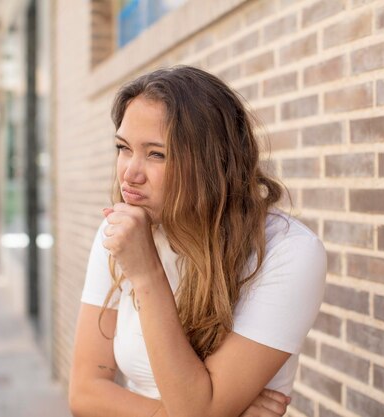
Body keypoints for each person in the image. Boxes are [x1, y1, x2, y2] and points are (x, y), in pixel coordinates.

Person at [69, 66, 326, 417]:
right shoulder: (120, 233)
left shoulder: (289, 252)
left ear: (211, 162)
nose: (130, 172)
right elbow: (84, 393)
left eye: (156, 154)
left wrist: (146, 274)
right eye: (123, 148)